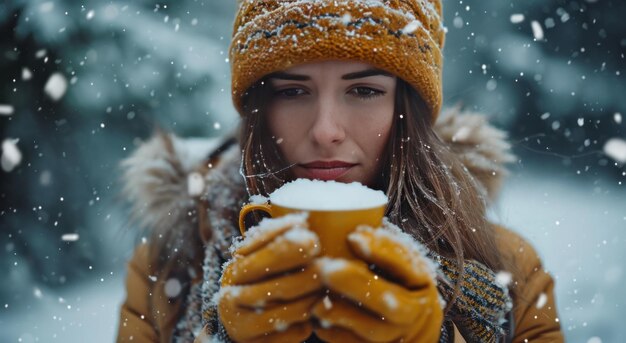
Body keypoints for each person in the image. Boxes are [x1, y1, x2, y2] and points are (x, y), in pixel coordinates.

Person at [117, 1, 565, 342]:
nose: (326, 131)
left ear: (404, 108)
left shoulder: (508, 269)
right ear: (259, 109)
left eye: (364, 90)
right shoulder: (170, 266)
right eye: (293, 91)